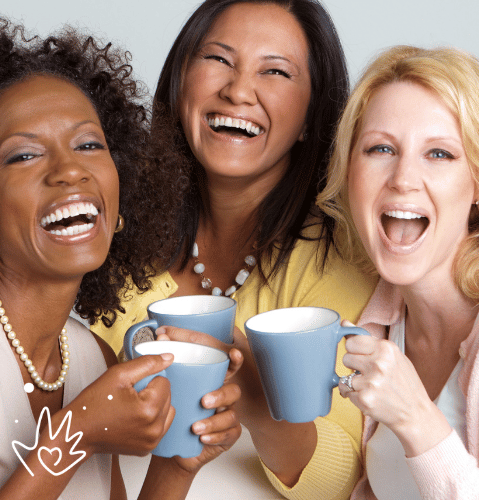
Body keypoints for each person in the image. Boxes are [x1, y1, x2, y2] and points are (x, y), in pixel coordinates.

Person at [93, 1, 377, 498]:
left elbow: (348, 478)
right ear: (181, 80)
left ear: (313, 115)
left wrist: (259, 403)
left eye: (275, 71)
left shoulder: (344, 258)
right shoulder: (112, 227)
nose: (238, 90)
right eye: (219, 60)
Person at [0, 17, 242, 500]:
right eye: (23, 155)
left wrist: (177, 466)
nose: (70, 170)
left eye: (88, 145)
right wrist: (77, 431)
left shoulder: (89, 357)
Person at [317, 45, 479, 499]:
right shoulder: (380, 319)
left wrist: (415, 419)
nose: (403, 177)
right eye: (381, 148)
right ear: (351, 175)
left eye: (440, 154)